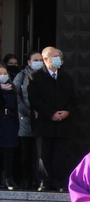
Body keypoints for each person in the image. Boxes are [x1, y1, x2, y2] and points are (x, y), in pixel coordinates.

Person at [27, 46, 77, 192]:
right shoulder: (35, 77)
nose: (58, 59)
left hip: (63, 123)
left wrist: (66, 112)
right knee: (44, 154)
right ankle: (44, 181)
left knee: (60, 154)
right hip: (44, 123)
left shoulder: (66, 78)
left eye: (59, 56)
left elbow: (73, 99)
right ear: (46, 59)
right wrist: (51, 113)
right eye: (54, 56)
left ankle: (59, 182)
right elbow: (34, 100)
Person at [12, 51, 42, 190]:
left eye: (40, 59)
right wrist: (26, 111)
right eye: (35, 60)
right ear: (29, 62)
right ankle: (26, 180)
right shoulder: (21, 76)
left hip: (42, 120)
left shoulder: (44, 76)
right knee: (26, 154)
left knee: (40, 154)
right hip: (25, 121)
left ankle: (39, 180)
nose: (38, 62)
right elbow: (15, 95)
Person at [0, 64, 19, 189]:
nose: (3, 76)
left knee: (8, 154)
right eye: (0, 74)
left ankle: (8, 178)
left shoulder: (12, 89)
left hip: (9, 125)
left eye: (5, 74)